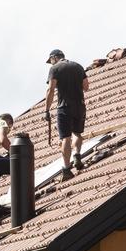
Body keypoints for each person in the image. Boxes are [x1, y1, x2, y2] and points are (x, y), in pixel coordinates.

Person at [44, 50, 89, 181]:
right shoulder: (77, 66)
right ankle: (77, 155)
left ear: (54, 58)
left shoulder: (55, 68)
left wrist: (47, 110)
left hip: (64, 107)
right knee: (78, 133)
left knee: (66, 138)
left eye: (50, 61)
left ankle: (66, 169)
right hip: (80, 106)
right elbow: (86, 87)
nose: (50, 63)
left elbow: (51, 89)